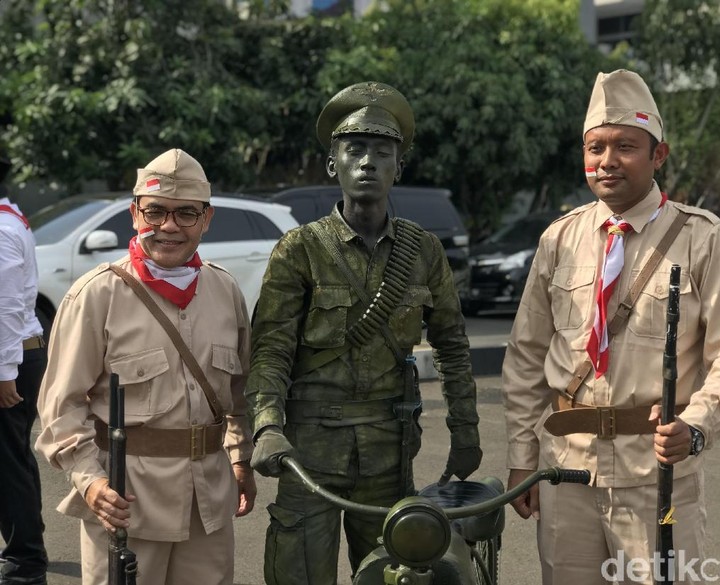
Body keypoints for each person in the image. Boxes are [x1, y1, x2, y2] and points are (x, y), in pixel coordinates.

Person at [502, 69, 720, 585]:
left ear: (658, 155)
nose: (607, 161)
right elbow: (527, 354)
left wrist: (699, 426)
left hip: (657, 476)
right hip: (566, 473)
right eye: (595, 147)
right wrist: (521, 457)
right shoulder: (559, 239)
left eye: (626, 146)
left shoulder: (702, 238)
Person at [246, 81, 482, 585]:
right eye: (355, 150)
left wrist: (466, 429)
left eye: (382, 151)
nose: (368, 162)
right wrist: (267, 425)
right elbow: (271, 350)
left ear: (400, 166)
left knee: (395, 577)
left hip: (388, 452)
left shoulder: (422, 252)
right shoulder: (300, 249)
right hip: (308, 454)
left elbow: (453, 347)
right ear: (334, 164)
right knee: (299, 576)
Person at [35, 149, 257, 585]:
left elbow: (239, 393)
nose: (168, 226)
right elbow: (61, 407)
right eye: (155, 211)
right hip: (126, 500)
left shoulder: (224, 289)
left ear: (206, 220)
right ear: (135, 214)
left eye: (185, 213)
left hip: (208, 502)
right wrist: (91, 483)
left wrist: (241, 460)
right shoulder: (97, 295)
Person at [0, 190, 48, 585]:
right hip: (20, 356)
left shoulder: (1, 226)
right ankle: (29, 548)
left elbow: (6, 305)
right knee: (15, 458)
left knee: (7, 465)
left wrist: (3, 373)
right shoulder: (10, 215)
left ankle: (24, 564)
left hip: (11, 360)